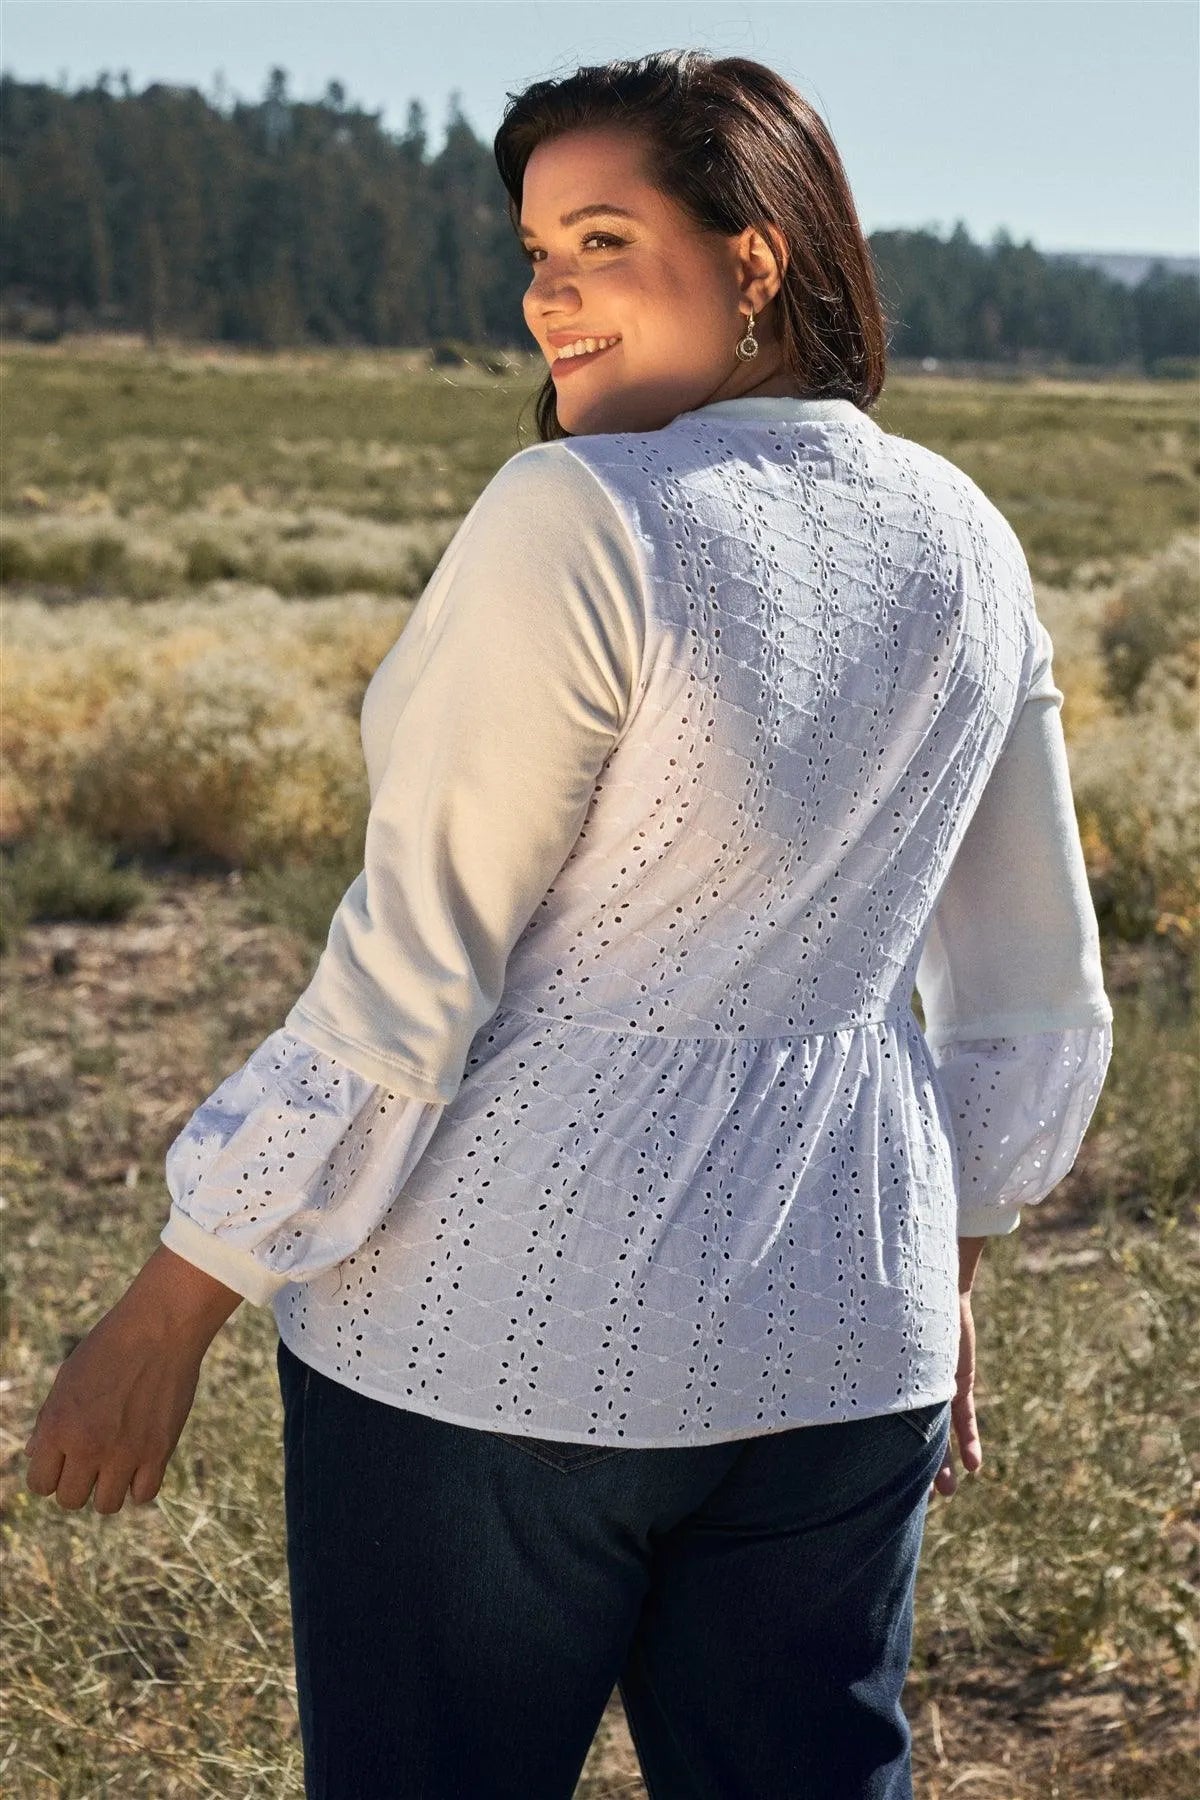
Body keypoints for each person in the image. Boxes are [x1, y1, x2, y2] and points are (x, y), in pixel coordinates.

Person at [23, 49, 1113, 1800]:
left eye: (602, 240)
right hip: (855, 1336)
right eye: (535, 250)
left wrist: (163, 1318)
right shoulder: (969, 538)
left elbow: (404, 992)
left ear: (756, 259)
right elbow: (1034, 997)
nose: (548, 296)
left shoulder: (579, 517)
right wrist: (945, 1266)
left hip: (498, 1355)